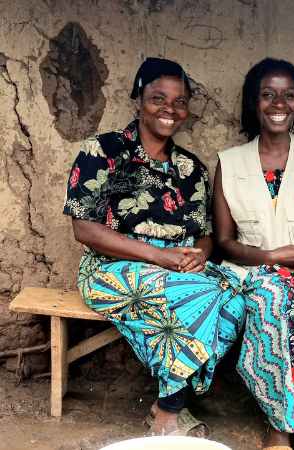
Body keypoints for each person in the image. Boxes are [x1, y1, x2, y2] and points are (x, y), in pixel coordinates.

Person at [63, 57, 245, 436]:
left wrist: (200, 256)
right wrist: (160, 257)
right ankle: (169, 411)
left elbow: (205, 232)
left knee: (237, 301)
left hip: (178, 267)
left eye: (179, 102)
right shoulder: (104, 151)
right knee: (200, 296)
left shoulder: (191, 168)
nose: (170, 109)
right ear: (138, 99)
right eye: (158, 98)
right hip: (110, 267)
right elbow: (85, 229)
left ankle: (168, 396)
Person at [213, 58, 294, 450]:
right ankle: (280, 425)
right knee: (272, 305)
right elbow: (224, 241)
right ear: (254, 103)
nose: (279, 103)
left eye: (289, 95)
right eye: (268, 94)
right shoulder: (230, 162)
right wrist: (271, 257)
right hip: (254, 271)